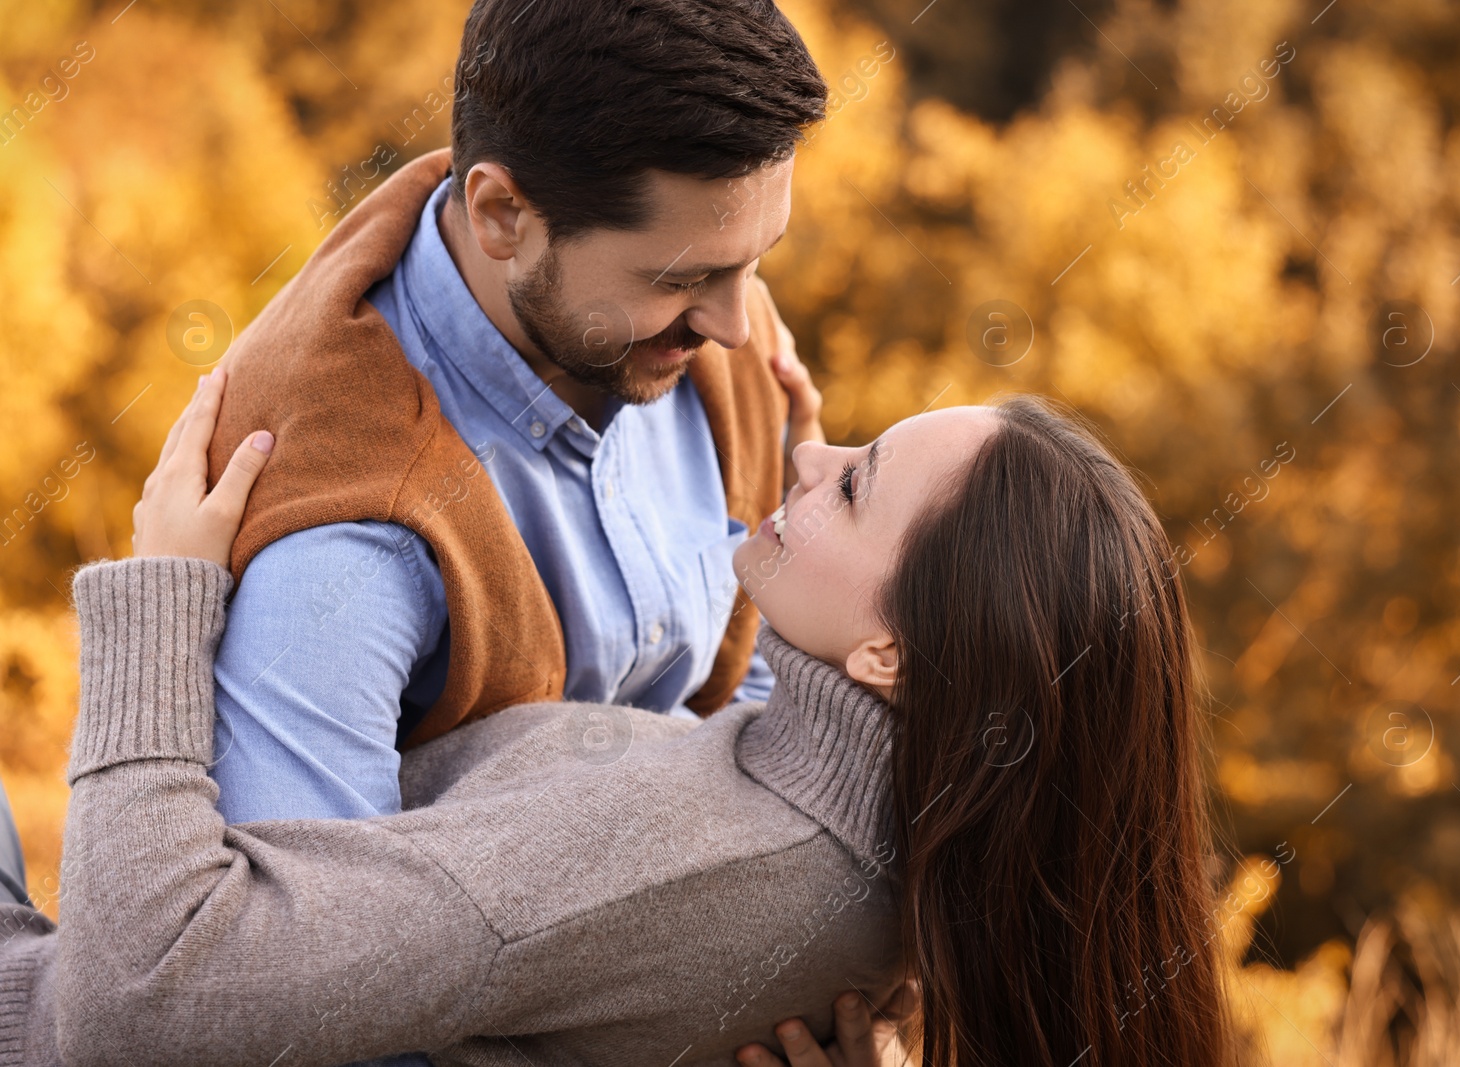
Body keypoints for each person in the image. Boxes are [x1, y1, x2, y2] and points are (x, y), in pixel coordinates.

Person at [0, 373, 1232, 1067]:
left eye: (854, 482)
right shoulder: (880, 835)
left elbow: (142, 1000)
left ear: (892, 653)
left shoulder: (700, 857)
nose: (814, 458)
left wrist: (160, 594)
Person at [202, 0, 826, 830]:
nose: (736, 328)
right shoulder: (337, 541)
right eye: (680, 279)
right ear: (501, 214)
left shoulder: (714, 348)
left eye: (753, 264)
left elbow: (749, 692)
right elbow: (309, 942)